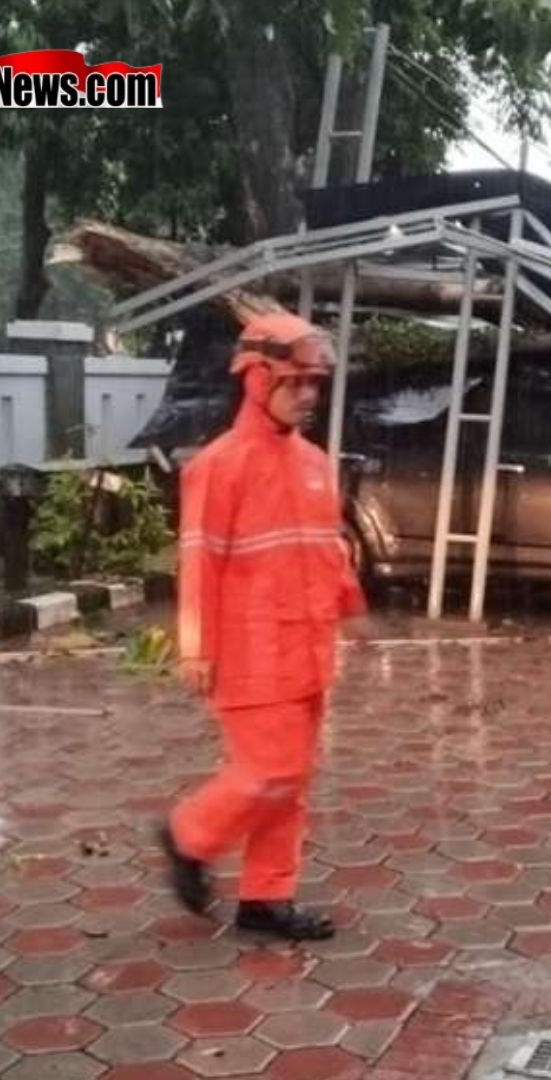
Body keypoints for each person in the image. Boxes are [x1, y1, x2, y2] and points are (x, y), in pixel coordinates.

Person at [156, 311, 365, 942]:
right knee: (266, 773)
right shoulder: (218, 466)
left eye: (314, 384)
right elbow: (198, 561)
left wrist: (346, 604)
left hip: (307, 646)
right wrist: (197, 647)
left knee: (291, 780)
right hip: (249, 651)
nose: (307, 396)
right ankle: (188, 837)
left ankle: (265, 899)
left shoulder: (314, 463)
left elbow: (325, 548)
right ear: (256, 378)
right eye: (295, 383)